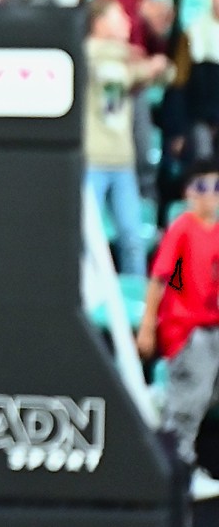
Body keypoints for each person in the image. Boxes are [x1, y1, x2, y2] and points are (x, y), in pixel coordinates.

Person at [140, 161, 219, 488]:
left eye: (217, 187)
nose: (210, 194)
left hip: (213, 328)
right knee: (186, 407)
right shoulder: (182, 227)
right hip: (188, 330)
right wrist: (147, 326)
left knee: (199, 402)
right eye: (202, 186)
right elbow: (159, 279)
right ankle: (175, 476)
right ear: (188, 192)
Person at [86, 0, 169, 276]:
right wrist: (144, 66)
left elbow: (167, 73)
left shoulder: (127, 58)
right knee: (87, 237)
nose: (126, 22)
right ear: (99, 23)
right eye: (117, 16)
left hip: (122, 160)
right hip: (93, 159)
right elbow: (114, 77)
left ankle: (137, 293)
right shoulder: (88, 55)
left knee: (133, 238)